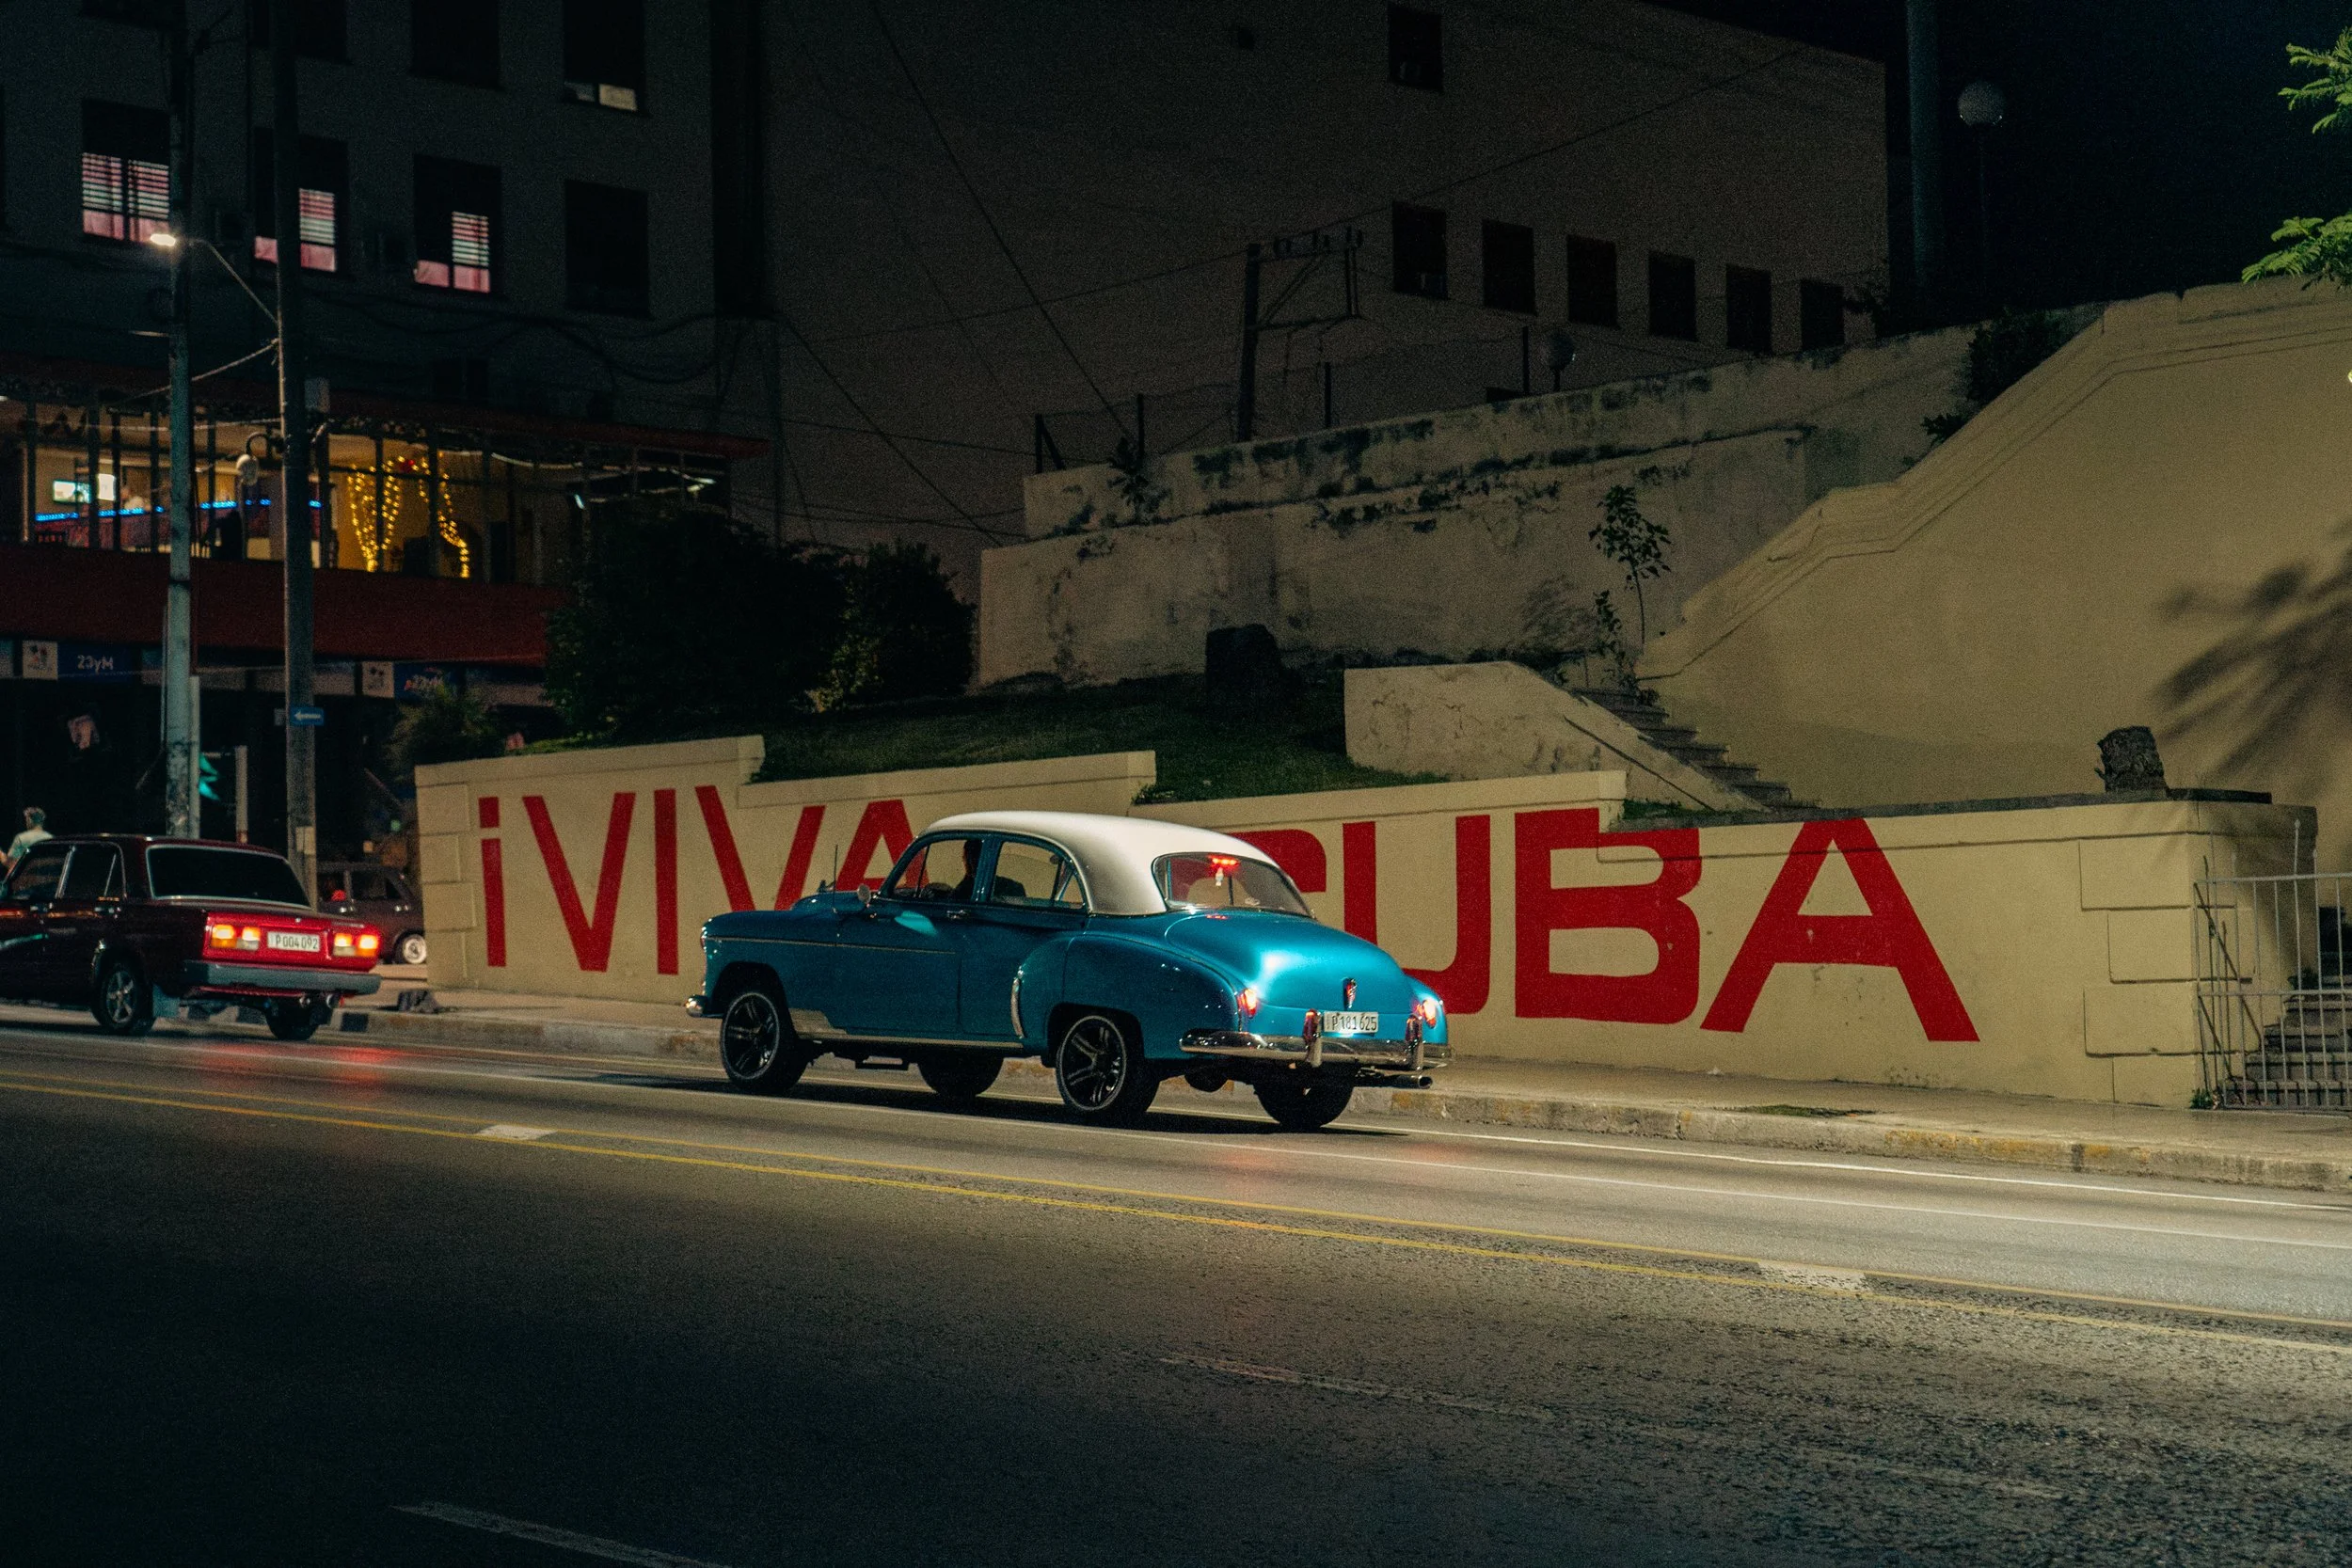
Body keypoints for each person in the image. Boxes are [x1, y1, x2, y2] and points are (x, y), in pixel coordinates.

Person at [6, 807, 50, 872]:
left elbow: (10, 864)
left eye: (26, 820)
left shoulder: (21, 838)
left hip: (27, 878)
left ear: (29, 820)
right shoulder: (50, 838)